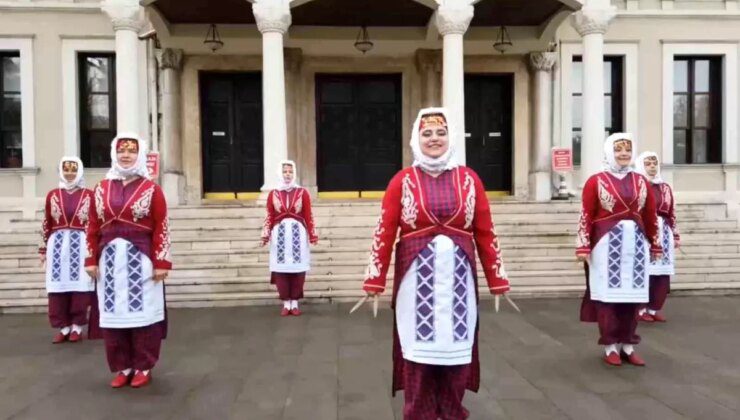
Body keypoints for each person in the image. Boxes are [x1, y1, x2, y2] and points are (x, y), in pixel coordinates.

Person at [361, 108, 510, 419]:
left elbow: (485, 230)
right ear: (416, 139)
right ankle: (419, 413)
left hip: (459, 280)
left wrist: (497, 278)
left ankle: (452, 411)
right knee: (419, 354)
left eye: (440, 133)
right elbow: (385, 230)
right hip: (416, 282)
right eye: (427, 134)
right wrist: (375, 279)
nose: (434, 139)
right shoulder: (402, 181)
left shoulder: (469, 179)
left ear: (450, 137)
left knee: (457, 351)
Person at [85, 133, 172, 388]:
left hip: (141, 260)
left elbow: (161, 226)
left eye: (131, 151)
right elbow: (92, 225)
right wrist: (90, 258)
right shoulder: (101, 188)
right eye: (121, 151)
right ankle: (122, 367)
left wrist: (161, 262)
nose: (126, 155)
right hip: (109, 262)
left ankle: (143, 366)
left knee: (143, 316)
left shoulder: (152, 190)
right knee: (113, 317)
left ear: (140, 155)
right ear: (114, 153)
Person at [576, 133, 661, 367]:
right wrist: (583, 245)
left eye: (627, 149)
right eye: (618, 150)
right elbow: (586, 214)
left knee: (634, 297)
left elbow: (650, 214)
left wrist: (656, 243)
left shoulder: (641, 181)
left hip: (635, 245)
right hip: (605, 246)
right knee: (609, 297)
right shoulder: (596, 181)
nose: (623, 154)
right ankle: (610, 346)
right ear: (608, 152)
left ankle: (628, 345)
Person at [40, 157, 95, 343]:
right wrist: (43, 249)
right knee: (57, 288)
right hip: (57, 245)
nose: (69, 174)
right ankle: (63, 327)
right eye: (66, 170)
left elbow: (95, 223)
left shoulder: (89, 195)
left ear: (79, 171)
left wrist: (95, 249)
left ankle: (77, 327)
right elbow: (47, 222)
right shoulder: (53, 195)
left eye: (73, 170)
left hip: (81, 244)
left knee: (80, 285)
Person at [261, 160, 318, 316]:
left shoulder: (302, 192)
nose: (287, 175)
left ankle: (295, 302)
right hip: (279, 236)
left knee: (298, 269)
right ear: (280, 173)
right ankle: (286, 302)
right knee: (281, 269)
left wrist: (312, 234)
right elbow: (269, 214)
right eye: (285, 172)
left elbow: (308, 214)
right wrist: (265, 234)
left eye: (290, 172)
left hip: (297, 235)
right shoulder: (273, 193)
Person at [635, 152, 680, 323]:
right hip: (645, 231)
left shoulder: (665, 187)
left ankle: (654, 308)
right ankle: (640, 309)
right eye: (648, 163)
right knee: (645, 271)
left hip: (665, 232)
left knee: (662, 273)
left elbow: (671, 212)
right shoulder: (638, 186)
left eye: (655, 163)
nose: (652, 166)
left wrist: (675, 234)